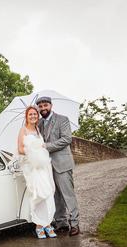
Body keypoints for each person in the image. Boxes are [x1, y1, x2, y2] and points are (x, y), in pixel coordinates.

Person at [36, 96, 80, 236]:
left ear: (51, 105)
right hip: (47, 166)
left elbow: (66, 139)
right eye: (40, 106)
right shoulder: (39, 124)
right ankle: (61, 223)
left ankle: (75, 224)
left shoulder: (62, 119)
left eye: (45, 105)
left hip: (62, 163)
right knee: (55, 196)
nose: (43, 108)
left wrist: (46, 146)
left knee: (68, 195)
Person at [17, 106, 57, 239]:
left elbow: (42, 146)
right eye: (30, 115)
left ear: (37, 116)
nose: (33, 116)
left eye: (35, 114)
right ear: (26, 116)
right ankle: (39, 226)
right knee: (38, 194)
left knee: (48, 193)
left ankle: (47, 224)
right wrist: (33, 150)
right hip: (32, 168)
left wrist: (40, 150)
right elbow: (20, 150)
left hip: (43, 167)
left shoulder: (38, 129)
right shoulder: (23, 130)